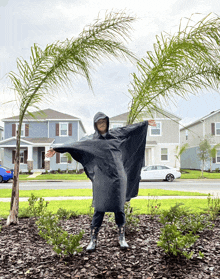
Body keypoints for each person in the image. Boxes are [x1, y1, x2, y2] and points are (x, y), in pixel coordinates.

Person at [46, 112, 156, 252]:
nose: (102, 124)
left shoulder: (116, 134)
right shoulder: (91, 140)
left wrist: (144, 123)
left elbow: (129, 129)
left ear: (107, 122)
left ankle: (122, 238)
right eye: (99, 122)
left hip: (118, 178)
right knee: (99, 209)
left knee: (119, 209)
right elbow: (76, 145)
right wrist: (56, 149)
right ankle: (93, 239)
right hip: (102, 179)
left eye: (104, 122)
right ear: (95, 125)